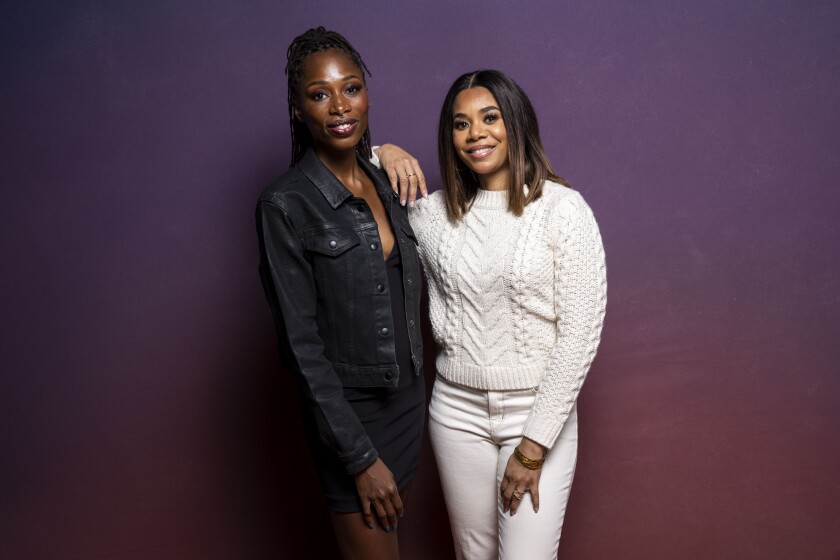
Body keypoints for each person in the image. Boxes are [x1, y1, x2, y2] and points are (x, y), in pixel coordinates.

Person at [382, 69, 607, 559]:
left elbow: (579, 337)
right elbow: (350, 173)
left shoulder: (563, 211)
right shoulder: (429, 215)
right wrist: (383, 151)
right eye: (460, 124)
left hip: (535, 412)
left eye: (490, 117)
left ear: (516, 122)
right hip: (455, 413)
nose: (476, 133)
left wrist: (533, 447)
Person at [255, 27, 427, 559]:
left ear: (368, 94)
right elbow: (302, 349)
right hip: (349, 420)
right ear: (297, 107)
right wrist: (358, 458)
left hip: (406, 400)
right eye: (318, 93)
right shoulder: (284, 205)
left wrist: (385, 150)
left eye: (350, 88)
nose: (338, 106)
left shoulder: (385, 182)